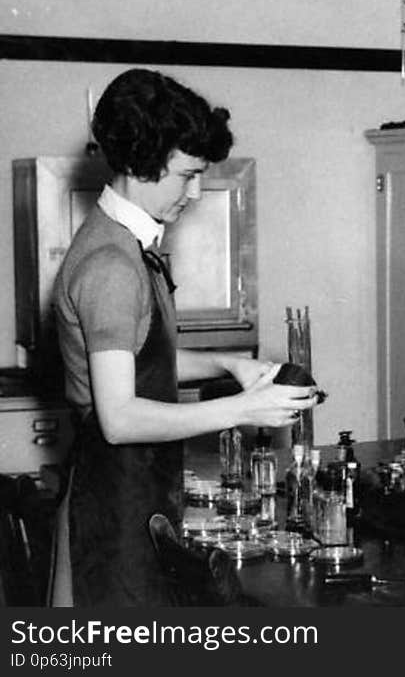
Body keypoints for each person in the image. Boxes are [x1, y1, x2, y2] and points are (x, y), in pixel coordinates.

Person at [49, 68, 319, 606]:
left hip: (134, 493)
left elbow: (141, 358)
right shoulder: (112, 265)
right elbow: (121, 418)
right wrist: (245, 408)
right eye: (187, 175)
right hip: (112, 508)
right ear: (137, 165)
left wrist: (230, 366)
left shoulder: (121, 243)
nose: (195, 193)